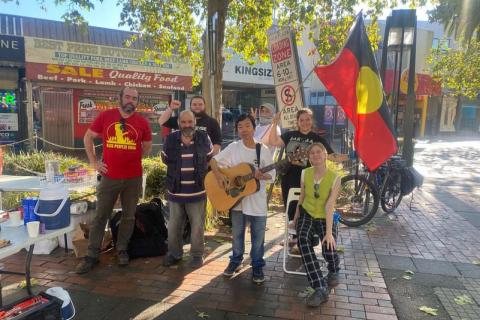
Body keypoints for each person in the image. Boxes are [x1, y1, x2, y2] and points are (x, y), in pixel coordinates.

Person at [75, 87, 152, 274]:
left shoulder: (142, 122)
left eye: (134, 98)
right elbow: (88, 137)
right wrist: (94, 162)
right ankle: (92, 255)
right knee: (101, 216)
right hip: (110, 177)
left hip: (133, 178)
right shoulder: (106, 116)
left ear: (137, 102)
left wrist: (130, 159)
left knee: (128, 216)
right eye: (127, 96)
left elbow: (147, 148)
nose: (130, 100)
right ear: (120, 98)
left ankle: (122, 250)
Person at [210, 114, 275, 284]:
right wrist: (218, 176)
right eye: (240, 126)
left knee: (258, 237)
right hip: (236, 200)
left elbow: (273, 175)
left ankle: (257, 265)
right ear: (237, 130)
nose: (244, 130)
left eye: (247, 126)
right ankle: (236, 260)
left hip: (257, 202)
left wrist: (262, 175)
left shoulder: (263, 150)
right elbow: (214, 161)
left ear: (254, 128)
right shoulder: (233, 147)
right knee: (237, 235)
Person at [268, 108, 346, 220]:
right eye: (302, 120)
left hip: (309, 178)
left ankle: (303, 232)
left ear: (312, 120)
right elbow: (273, 142)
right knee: (290, 208)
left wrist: (346, 156)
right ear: (298, 122)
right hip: (289, 178)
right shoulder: (290, 135)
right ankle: (293, 234)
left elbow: (331, 156)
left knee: (305, 209)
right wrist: (275, 123)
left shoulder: (317, 138)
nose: (305, 122)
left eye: (307, 119)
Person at [290, 143, 341, 307]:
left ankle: (334, 270)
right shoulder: (305, 173)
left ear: (325, 155)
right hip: (307, 213)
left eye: (319, 152)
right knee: (303, 239)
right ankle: (320, 287)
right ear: (309, 157)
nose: (315, 155)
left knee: (328, 244)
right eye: (312, 153)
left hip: (325, 216)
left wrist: (328, 232)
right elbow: (302, 197)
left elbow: (329, 205)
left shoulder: (335, 178)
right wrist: (295, 218)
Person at [161, 110, 213, 268]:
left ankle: (197, 255)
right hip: (176, 191)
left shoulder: (204, 138)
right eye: (183, 122)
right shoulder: (170, 139)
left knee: (197, 226)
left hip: (197, 192)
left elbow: (210, 158)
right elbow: (165, 159)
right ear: (178, 123)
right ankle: (174, 254)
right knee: (174, 226)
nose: (187, 125)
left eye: (190, 122)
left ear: (195, 123)